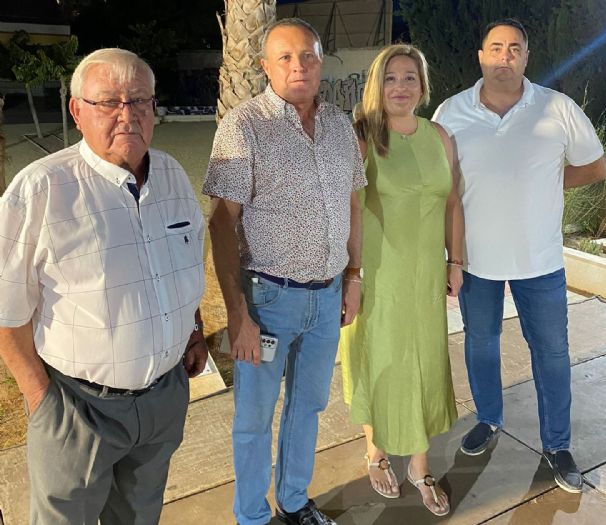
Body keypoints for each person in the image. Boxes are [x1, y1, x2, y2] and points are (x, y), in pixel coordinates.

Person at [0, 48, 208, 524]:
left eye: (139, 100)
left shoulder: (173, 176)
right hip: (77, 409)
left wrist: (194, 331)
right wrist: (42, 400)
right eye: (109, 102)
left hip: (161, 401)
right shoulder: (41, 190)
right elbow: (5, 311)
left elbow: (183, 266)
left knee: (139, 517)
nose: (127, 114)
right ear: (77, 111)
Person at [203, 18, 366, 525]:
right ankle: (252, 517)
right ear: (265, 66)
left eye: (309, 56)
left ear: (321, 62)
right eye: (286, 57)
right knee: (254, 418)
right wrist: (238, 315)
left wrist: (354, 276)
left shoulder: (339, 125)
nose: (299, 66)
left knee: (308, 407)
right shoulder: (244, 126)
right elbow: (221, 223)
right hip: (267, 301)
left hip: (327, 298)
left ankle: (294, 503)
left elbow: (352, 205)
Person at [433, 18, 606, 493]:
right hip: (475, 260)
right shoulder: (451, 112)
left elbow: (595, 167)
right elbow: (440, 184)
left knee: (551, 354)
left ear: (527, 57)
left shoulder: (557, 108)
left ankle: (558, 445)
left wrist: (548, 181)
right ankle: (488, 419)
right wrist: (447, 255)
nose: (504, 57)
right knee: (480, 344)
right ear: (481, 56)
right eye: (496, 48)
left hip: (540, 261)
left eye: (514, 49)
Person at [339, 44, 463, 516]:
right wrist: (352, 275)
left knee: (425, 362)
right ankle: (375, 451)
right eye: (390, 78)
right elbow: (349, 208)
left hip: (426, 274)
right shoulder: (363, 136)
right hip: (378, 272)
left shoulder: (440, 136)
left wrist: (455, 261)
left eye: (410, 77)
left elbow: (452, 202)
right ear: (377, 85)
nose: (400, 87)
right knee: (380, 360)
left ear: (422, 86)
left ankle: (419, 464)